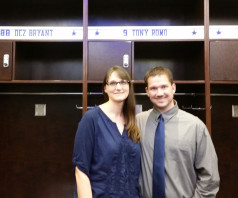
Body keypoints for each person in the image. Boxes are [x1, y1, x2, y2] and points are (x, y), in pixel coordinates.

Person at [136, 66, 220, 198]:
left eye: (164, 87)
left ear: (173, 88)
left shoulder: (195, 126)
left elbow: (209, 177)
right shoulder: (137, 123)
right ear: (147, 91)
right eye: (153, 88)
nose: (159, 93)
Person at [72, 65, 141, 198]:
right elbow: (81, 170)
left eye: (123, 82)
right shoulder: (92, 118)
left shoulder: (134, 121)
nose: (118, 87)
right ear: (105, 88)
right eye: (113, 83)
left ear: (129, 86)